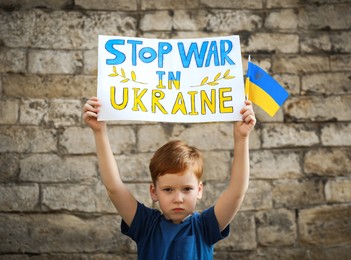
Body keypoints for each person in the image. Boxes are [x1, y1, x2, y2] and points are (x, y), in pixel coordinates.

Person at [83, 96, 256, 259]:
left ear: (199, 190)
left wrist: (241, 138)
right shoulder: (146, 225)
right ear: (154, 191)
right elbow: (114, 187)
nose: (178, 199)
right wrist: (100, 132)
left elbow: (236, 192)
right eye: (168, 190)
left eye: (187, 189)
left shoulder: (205, 226)